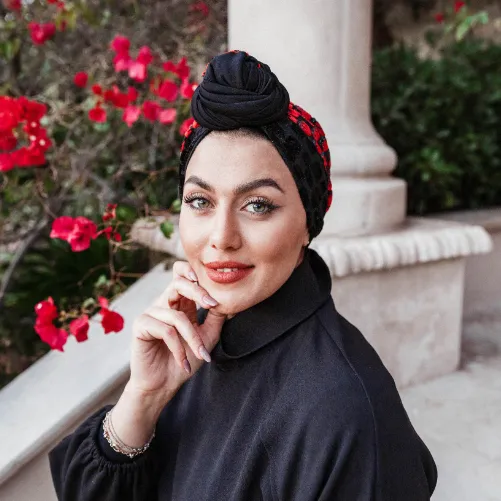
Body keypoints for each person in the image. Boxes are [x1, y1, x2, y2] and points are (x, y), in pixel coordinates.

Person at [49, 50, 438, 501]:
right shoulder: (194, 340)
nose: (221, 237)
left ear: (307, 224)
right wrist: (143, 398)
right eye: (199, 201)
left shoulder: (343, 412)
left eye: (258, 205)